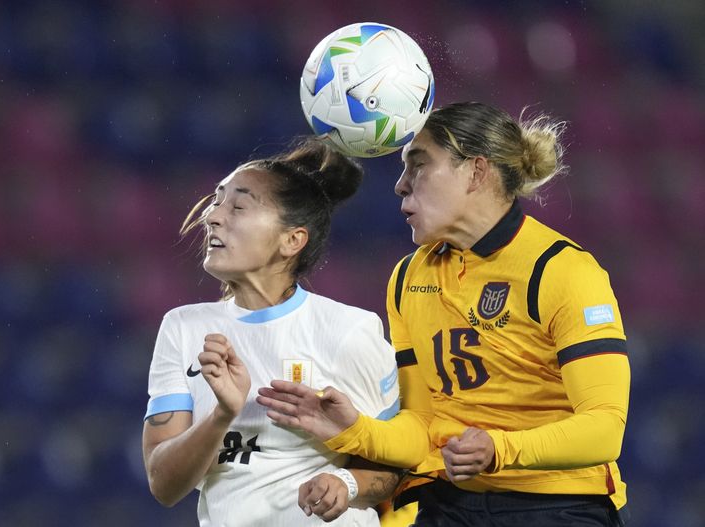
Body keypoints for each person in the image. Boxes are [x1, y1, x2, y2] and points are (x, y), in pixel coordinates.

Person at [257, 101, 631, 526]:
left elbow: (604, 429)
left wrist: (498, 450)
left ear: (476, 171)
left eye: (418, 166)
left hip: (559, 508)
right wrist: (353, 429)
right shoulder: (409, 277)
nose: (400, 185)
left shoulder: (561, 270)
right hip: (450, 505)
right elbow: (423, 426)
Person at [141, 137, 405, 526]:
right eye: (217, 200)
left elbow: (393, 469)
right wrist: (223, 414)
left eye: (239, 206)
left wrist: (346, 483)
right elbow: (164, 485)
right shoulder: (183, 328)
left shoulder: (349, 331)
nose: (212, 216)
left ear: (292, 240)